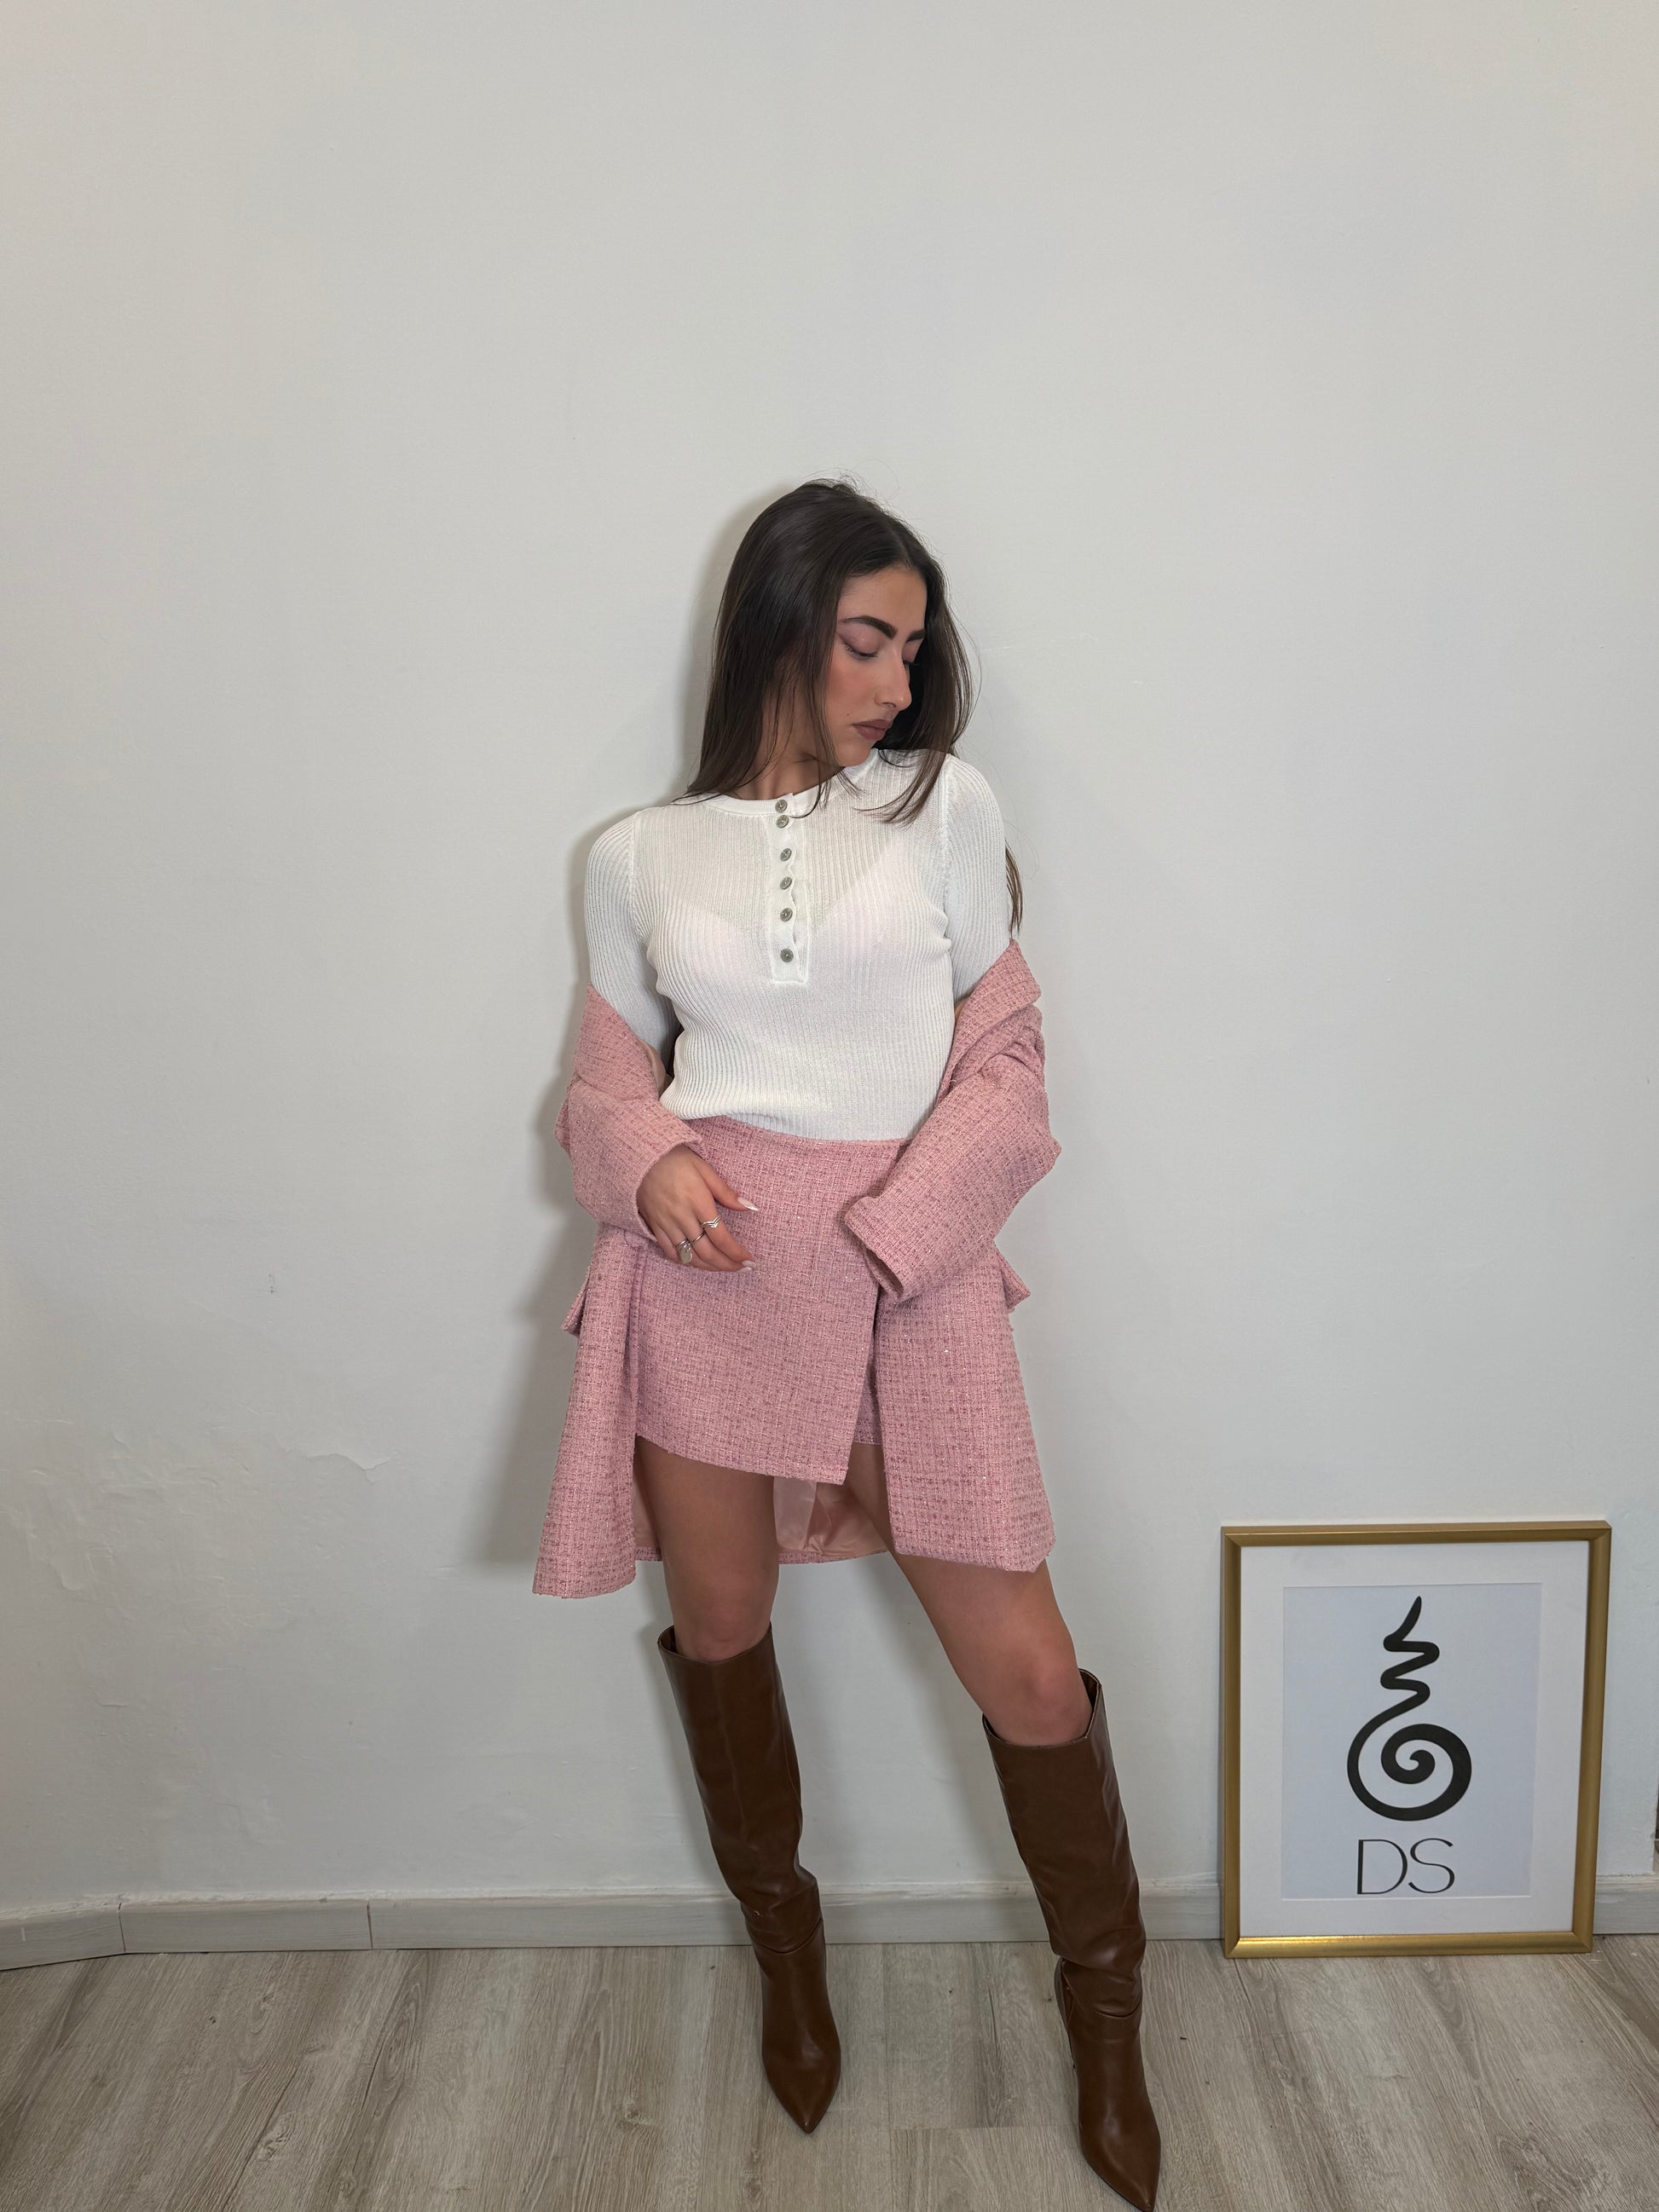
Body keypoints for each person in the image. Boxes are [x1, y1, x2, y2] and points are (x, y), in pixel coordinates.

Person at [538, 478, 1161, 2208]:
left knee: (1027, 1670)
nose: (894, 679)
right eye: (862, 639)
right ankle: (788, 1956)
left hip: (909, 1274)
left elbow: (1008, 1071)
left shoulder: (945, 803)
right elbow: (600, 1083)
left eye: (910, 645)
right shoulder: (634, 855)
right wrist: (648, 1160)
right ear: (777, 625)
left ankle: (1109, 2021)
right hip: (713, 1275)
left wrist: (896, 1235)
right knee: (722, 1623)